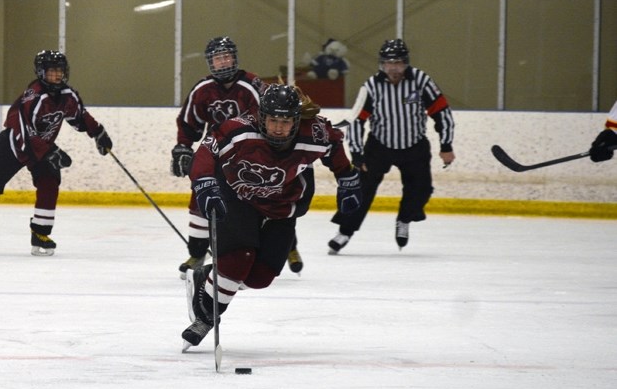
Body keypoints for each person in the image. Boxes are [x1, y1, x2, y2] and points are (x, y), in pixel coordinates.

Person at [181, 84, 362, 347]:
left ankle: (207, 278)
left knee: (260, 277)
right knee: (237, 261)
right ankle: (206, 318)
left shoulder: (314, 133)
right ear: (261, 116)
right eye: (273, 120)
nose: (278, 127)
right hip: (238, 197)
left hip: (282, 204)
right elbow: (206, 152)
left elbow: (334, 145)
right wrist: (205, 184)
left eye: (285, 121)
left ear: (296, 120)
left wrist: (347, 178)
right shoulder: (239, 128)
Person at [0, 50, 113, 256]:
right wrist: (49, 150)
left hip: (41, 149)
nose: (57, 76)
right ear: (42, 73)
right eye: (52, 72)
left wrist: (98, 132)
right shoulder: (35, 97)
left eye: (60, 71)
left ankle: (40, 234)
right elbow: (24, 132)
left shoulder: (68, 96)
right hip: (11, 146)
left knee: (49, 182)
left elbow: (80, 116)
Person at [171, 36, 305, 279]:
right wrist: (183, 147)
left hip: (250, 155)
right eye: (217, 59)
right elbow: (189, 122)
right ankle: (197, 253)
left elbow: (273, 116)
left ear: (235, 58)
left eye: (226, 57)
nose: (223, 63)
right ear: (211, 63)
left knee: (271, 200)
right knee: (200, 196)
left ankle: (288, 246)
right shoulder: (203, 90)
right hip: (217, 153)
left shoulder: (252, 85)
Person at [328, 39, 455, 253]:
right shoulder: (370, 86)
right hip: (379, 147)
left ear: (406, 63)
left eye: (398, 62)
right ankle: (344, 232)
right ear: (381, 64)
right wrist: (358, 156)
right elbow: (357, 121)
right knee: (360, 190)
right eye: (388, 63)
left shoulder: (422, 81)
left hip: (414, 146)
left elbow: (442, 112)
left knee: (422, 189)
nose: (393, 67)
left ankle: (404, 220)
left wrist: (446, 145)